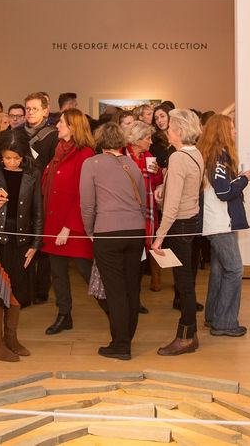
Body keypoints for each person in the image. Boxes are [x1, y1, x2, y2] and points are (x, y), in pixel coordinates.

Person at [0, 128, 43, 362]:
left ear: (24, 156)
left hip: (21, 241)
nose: (12, 162)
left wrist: (35, 243)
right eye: (7, 157)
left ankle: (11, 339)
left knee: (16, 290)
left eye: (16, 158)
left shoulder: (32, 174)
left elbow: (38, 212)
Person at [81, 123, 146, 360]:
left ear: (100, 141)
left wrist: (90, 230)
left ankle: (121, 345)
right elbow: (142, 202)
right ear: (121, 140)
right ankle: (126, 337)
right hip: (135, 230)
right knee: (131, 287)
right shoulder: (132, 164)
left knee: (115, 290)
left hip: (108, 231)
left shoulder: (91, 164)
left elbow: (87, 203)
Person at [150, 109, 204, 356]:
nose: (167, 130)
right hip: (191, 221)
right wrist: (164, 186)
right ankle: (189, 334)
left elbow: (172, 205)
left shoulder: (178, 158)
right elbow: (186, 188)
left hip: (179, 225)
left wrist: (159, 235)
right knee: (186, 283)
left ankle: (186, 337)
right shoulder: (194, 153)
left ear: (179, 131)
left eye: (170, 126)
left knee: (184, 286)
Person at [41, 108, 97, 335]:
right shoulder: (58, 151)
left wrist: (68, 227)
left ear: (73, 126)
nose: (57, 125)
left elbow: (83, 195)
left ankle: (115, 312)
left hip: (73, 227)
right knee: (58, 274)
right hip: (54, 224)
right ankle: (64, 315)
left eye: (61, 122)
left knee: (88, 274)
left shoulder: (85, 154)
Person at [198, 114, 250, 338]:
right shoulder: (219, 157)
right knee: (235, 270)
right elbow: (224, 192)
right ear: (222, 132)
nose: (235, 132)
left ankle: (213, 316)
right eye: (232, 128)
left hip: (216, 223)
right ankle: (225, 322)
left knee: (220, 271)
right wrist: (244, 179)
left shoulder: (210, 156)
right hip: (220, 224)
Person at [25, 92, 59, 304]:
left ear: (46, 111)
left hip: (43, 195)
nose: (30, 112)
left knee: (43, 246)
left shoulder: (53, 136)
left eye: (35, 109)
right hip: (22, 194)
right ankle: (25, 288)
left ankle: (41, 290)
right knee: (25, 242)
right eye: (28, 108)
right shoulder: (18, 133)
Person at [123, 121, 164, 292]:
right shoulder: (121, 156)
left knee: (140, 261)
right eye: (147, 138)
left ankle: (135, 299)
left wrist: (157, 173)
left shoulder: (148, 157)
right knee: (128, 262)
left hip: (147, 215)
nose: (151, 142)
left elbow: (156, 184)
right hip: (126, 216)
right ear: (137, 139)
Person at [150, 105, 176, 170]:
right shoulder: (155, 140)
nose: (159, 120)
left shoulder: (178, 136)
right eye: (156, 118)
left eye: (162, 116)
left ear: (170, 116)